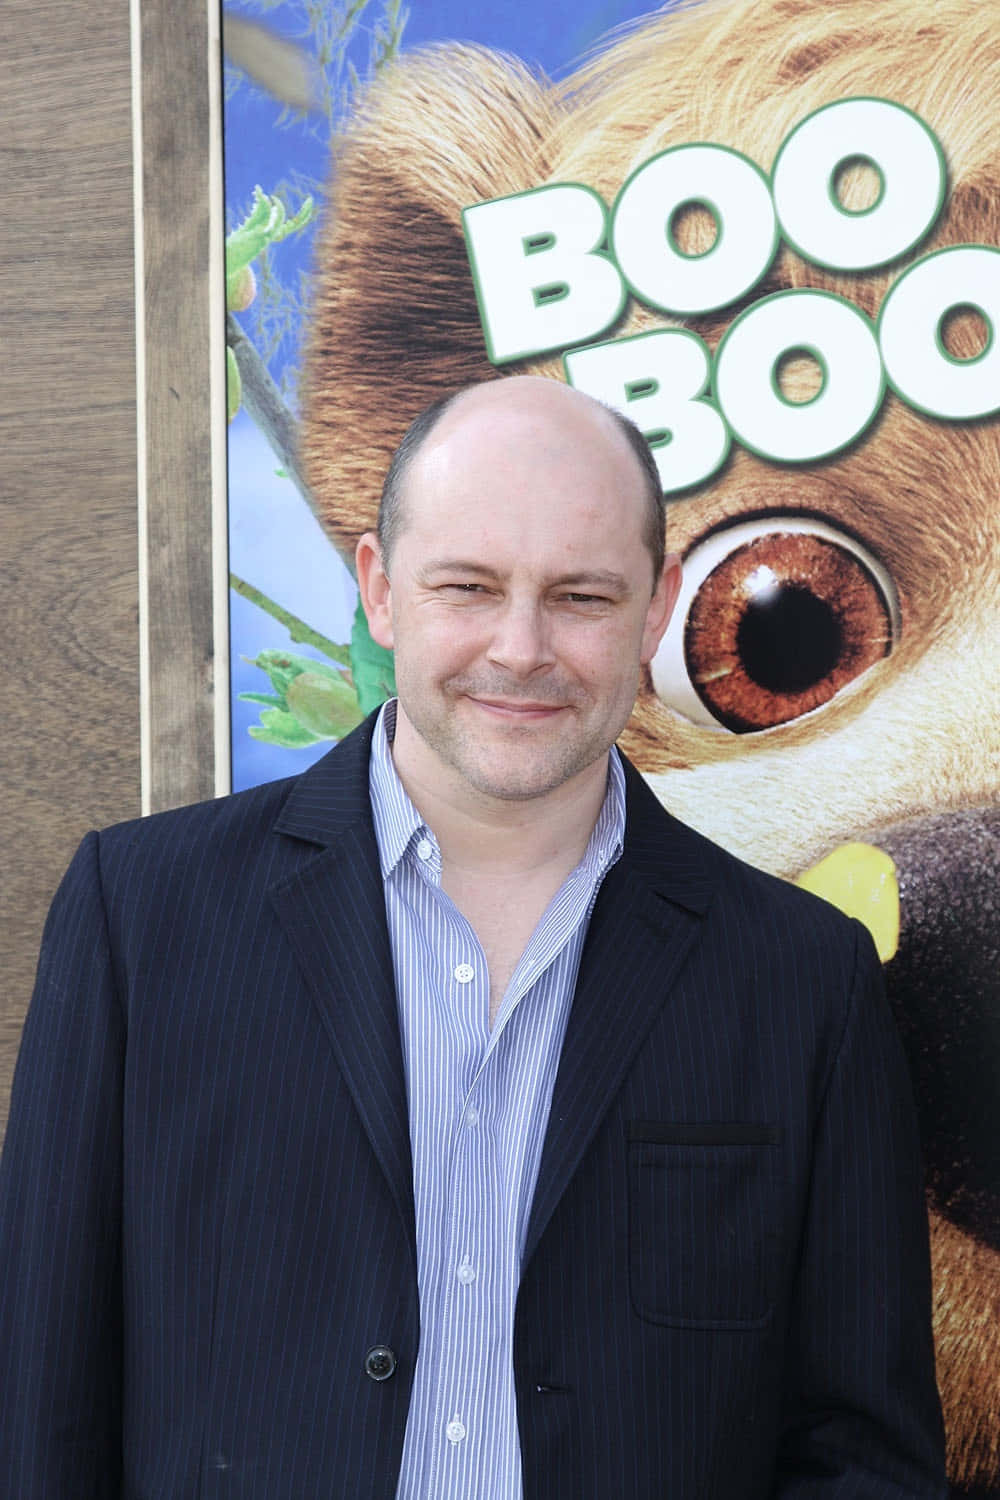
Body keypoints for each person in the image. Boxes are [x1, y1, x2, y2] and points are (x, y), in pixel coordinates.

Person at [0, 376, 945, 1499]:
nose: (520, 648)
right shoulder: (140, 917)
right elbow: (41, 1407)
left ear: (656, 612)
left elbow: (862, 1456)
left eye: (581, 597)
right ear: (380, 591)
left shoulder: (801, 978)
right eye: (468, 587)